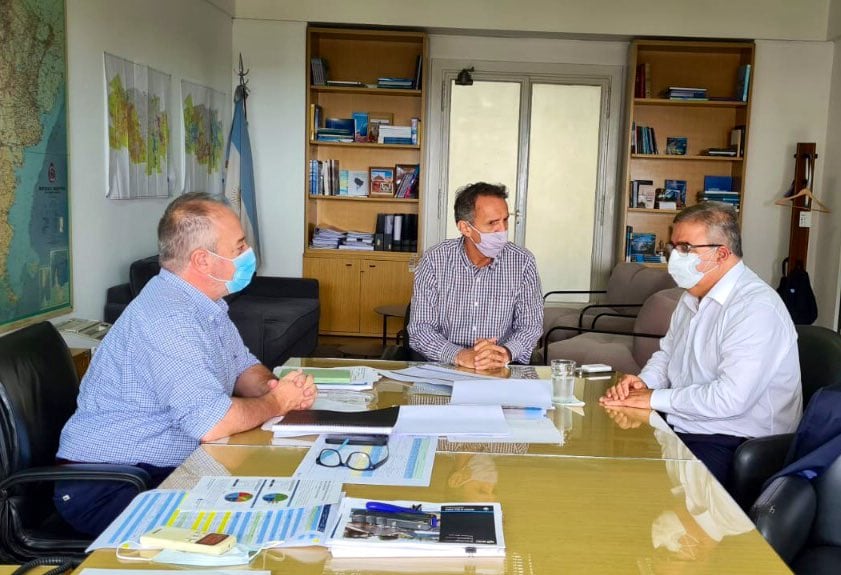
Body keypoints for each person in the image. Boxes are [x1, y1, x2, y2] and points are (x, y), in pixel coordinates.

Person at [55, 192, 317, 536]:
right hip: (114, 483)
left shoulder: (205, 305)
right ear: (203, 261)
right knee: (253, 531)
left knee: (287, 497)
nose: (248, 254)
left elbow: (244, 368)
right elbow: (212, 423)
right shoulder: (168, 317)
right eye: (239, 247)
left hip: (165, 467)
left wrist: (279, 388)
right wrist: (277, 402)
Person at [600, 201, 802, 491]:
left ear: (721, 253)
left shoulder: (756, 308)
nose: (674, 257)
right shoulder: (692, 296)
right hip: (686, 422)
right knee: (611, 472)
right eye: (673, 247)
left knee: (654, 503)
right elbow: (668, 354)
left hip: (734, 440)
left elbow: (731, 399)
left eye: (685, 248)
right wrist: (643, 383)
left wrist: (654, 398)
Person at [408, 182, 542, 370]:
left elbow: (530, 327)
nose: (501, 230)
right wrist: (461, 355)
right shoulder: (434, 260)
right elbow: (420, 329)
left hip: (502, 370)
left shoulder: (522, 261)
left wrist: (503, 353)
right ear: (465, 228)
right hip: (445, 369)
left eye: (505, 220)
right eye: (492, 223)